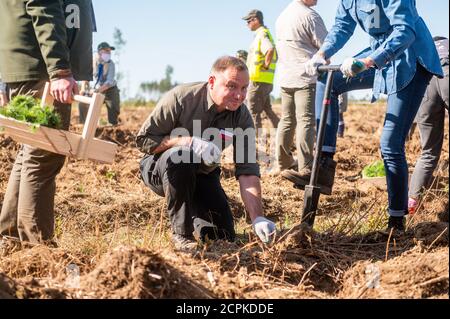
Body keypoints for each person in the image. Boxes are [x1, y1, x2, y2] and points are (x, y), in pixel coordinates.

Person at [296, 0, 443, 232]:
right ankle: (324, 163)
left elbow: (405, 31)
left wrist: (369, 61)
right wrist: (323, 53)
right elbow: (342, 27)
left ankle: (396, 222)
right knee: (328, 81)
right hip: (380, 52)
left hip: (410, 57)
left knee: (390, 144)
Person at [136, 56, 277, 250]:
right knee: (183, 157)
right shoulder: (182, 98)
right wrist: (186, 141)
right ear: (212, 82)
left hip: (203, 173)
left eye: (244, 88)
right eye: (232, 86)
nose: (239, 96)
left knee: (224, 236)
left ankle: (196, 219)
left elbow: (247, 170)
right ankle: (182, 235)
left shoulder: (241, 116)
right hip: (160, 169)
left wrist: (258, 217)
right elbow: (144, 140)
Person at [0, 0, 94, 244]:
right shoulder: (53, 71)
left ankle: (10, 237)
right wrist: (60, 70)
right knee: (45, 153)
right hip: (43, 69)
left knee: (32, 152)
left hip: (35, 66)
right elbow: (43, 5)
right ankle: (38, 245)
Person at [274, 0, 328, 177]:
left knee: (287, 120)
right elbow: (326, 46)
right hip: (305, 76)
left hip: (286, 76)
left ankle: (282, 163)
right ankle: (306, 166)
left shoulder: (283, 15)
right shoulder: (310, 16)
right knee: (305, 120)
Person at [408, 36, 449, 214]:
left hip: (425, 87)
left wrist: (409, 126)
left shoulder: (422, 49)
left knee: (429, 153)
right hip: (447, 75)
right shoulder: (447, 47)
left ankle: (411, 203)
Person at [243, 10, 279, 130]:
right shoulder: (264, 33)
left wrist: (265, 65)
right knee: (267, 110)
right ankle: (283, 136)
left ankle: (254, 141)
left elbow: (270, 49)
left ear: (256, 20)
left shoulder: (262, 34)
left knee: (252, 111)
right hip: (264, 80)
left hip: (258, 80)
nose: (247, 24)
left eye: (249, 21)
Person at [79, 42, 121, 126]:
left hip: (110, 89)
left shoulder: (111, 64)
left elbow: (109, 82)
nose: (109, 53)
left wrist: (97, 91)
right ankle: (83, 124)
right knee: (83, 101)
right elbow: (86, 76)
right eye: (106, 51)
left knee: (113, 107)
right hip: (96, 88)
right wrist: (83, 88)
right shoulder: (91, 61)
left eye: (109, 51)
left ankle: (112, 125)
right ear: (99, 52)